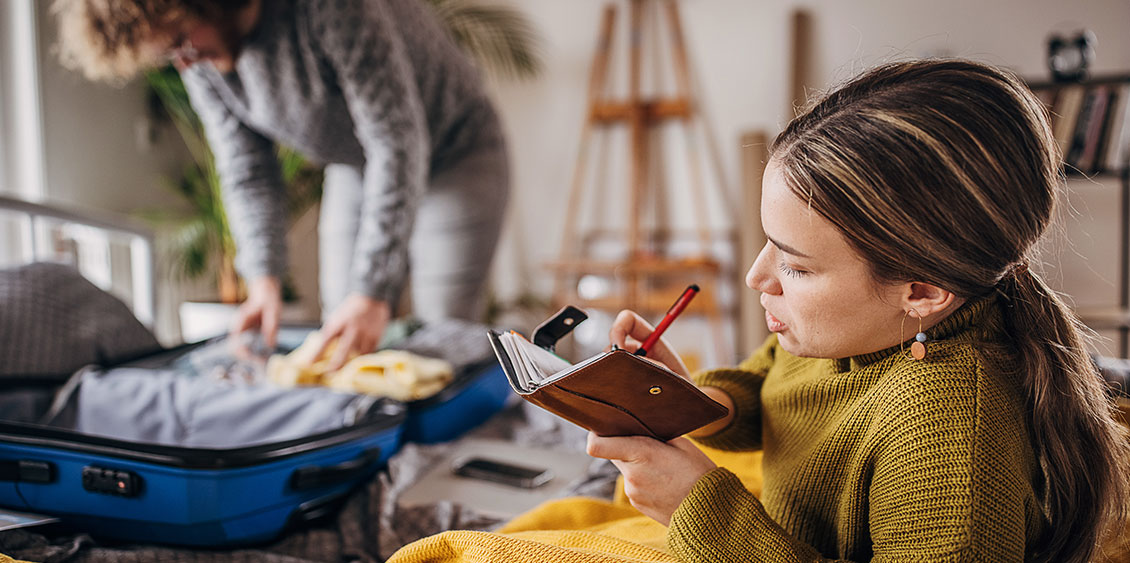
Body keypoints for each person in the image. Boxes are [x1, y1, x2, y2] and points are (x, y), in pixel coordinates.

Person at [389, 60, 1129, 563]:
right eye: (768, 246)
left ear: (923, 291)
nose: (754, 277)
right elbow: (776, 387)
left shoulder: (950, 437)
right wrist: (694, 400)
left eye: (797, 266)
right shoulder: (867, 325)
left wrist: (696, 509)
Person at [55, 0, 509, 369]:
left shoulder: (329, 9)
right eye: (171, 56)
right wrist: (264, 281)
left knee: (445, 331)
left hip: (456, 153)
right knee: (341, 329)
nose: (186, 62)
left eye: (181, 41)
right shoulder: (198, 63)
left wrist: (373, 290)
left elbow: (396, 140)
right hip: (355, 165)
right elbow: (246, 167)